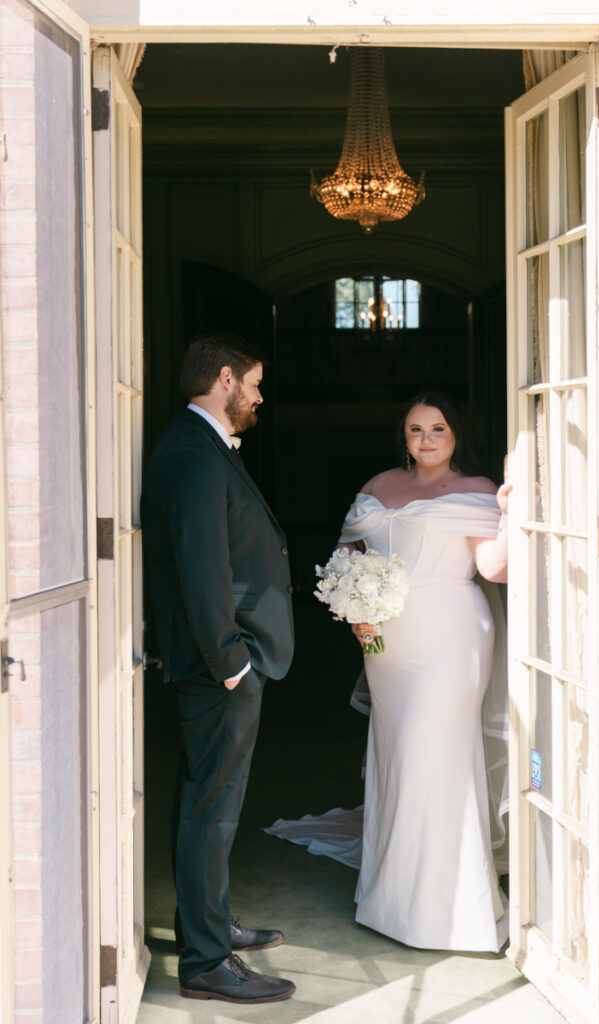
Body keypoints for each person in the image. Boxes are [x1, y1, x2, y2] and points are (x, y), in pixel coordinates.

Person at [140, 333, 296, 1004]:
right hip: (219, 665)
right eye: (254, 383)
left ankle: (207, 925)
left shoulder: (198, 446)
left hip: (219, 660)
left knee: (212, 803)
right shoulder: (194, 454)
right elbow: (203, 567)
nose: (259, 395)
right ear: (225, 379)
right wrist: (232, 662)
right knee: (212, 809)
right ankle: (206, 962)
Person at [338, 391, 511, 951]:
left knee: (433, 757)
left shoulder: (477, 491)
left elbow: (494, 567)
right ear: (404, 437)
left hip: (452, 639)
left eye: (438, 428)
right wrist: (353, 610)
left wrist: (516, 513)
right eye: (416, 430)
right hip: (386, 646)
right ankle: (391, 899)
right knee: (397, 758)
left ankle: (451, 910)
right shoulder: (377, 486)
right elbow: (349, 558)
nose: (427, 439)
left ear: (455, 434)